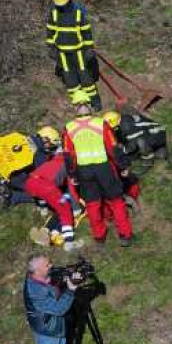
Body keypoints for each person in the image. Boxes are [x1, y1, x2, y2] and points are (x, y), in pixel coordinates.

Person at [63, 94, 134, 246]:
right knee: (116, 201)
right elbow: (113, 147)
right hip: (103, 168)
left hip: (84, 172)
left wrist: (72, 174)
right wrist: (123, 166)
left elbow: (68, 155)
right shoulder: (100, 123)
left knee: (93, 204)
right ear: (89, 105)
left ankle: (99, 236)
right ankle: (125, 235)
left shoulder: (69, 128)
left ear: (74, 107)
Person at [46, 0, 100, 110]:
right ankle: (78, 104)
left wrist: (89, 49)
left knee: (85, 77)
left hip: (78, 51)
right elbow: (50, 31)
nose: (62, 7)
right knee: (70, 80)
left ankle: (94, 101)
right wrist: (51, 48)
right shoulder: (54, 13)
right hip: (62, 53)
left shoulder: (78, 12)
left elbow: (86, 31)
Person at [103, 109, 168, 161]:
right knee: (139, 140)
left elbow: (133, 144)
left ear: (113, 121)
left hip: (158, 134)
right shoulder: (124, 118)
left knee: (141, 142)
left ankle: (158, 154)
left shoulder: (127, 127)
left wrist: (123, 150)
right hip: (155, 129)